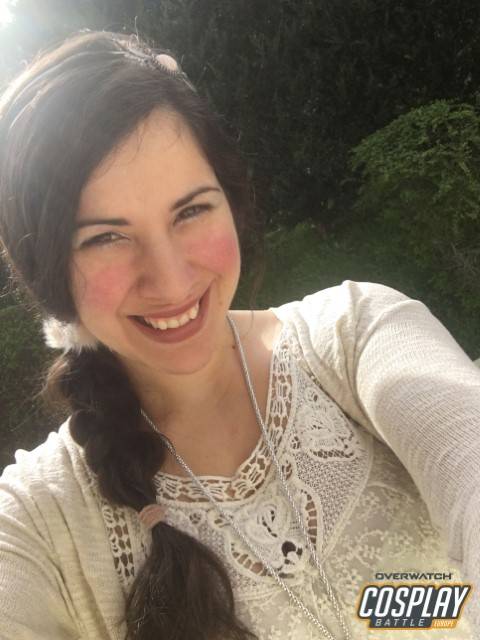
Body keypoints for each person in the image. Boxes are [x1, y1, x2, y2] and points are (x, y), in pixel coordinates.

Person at [0, 29, 478, 640]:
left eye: (191, 210)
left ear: (230, 201)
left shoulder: (358, 337)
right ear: (48, 271)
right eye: (106, 237)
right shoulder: (40, 523)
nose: (171, 280)